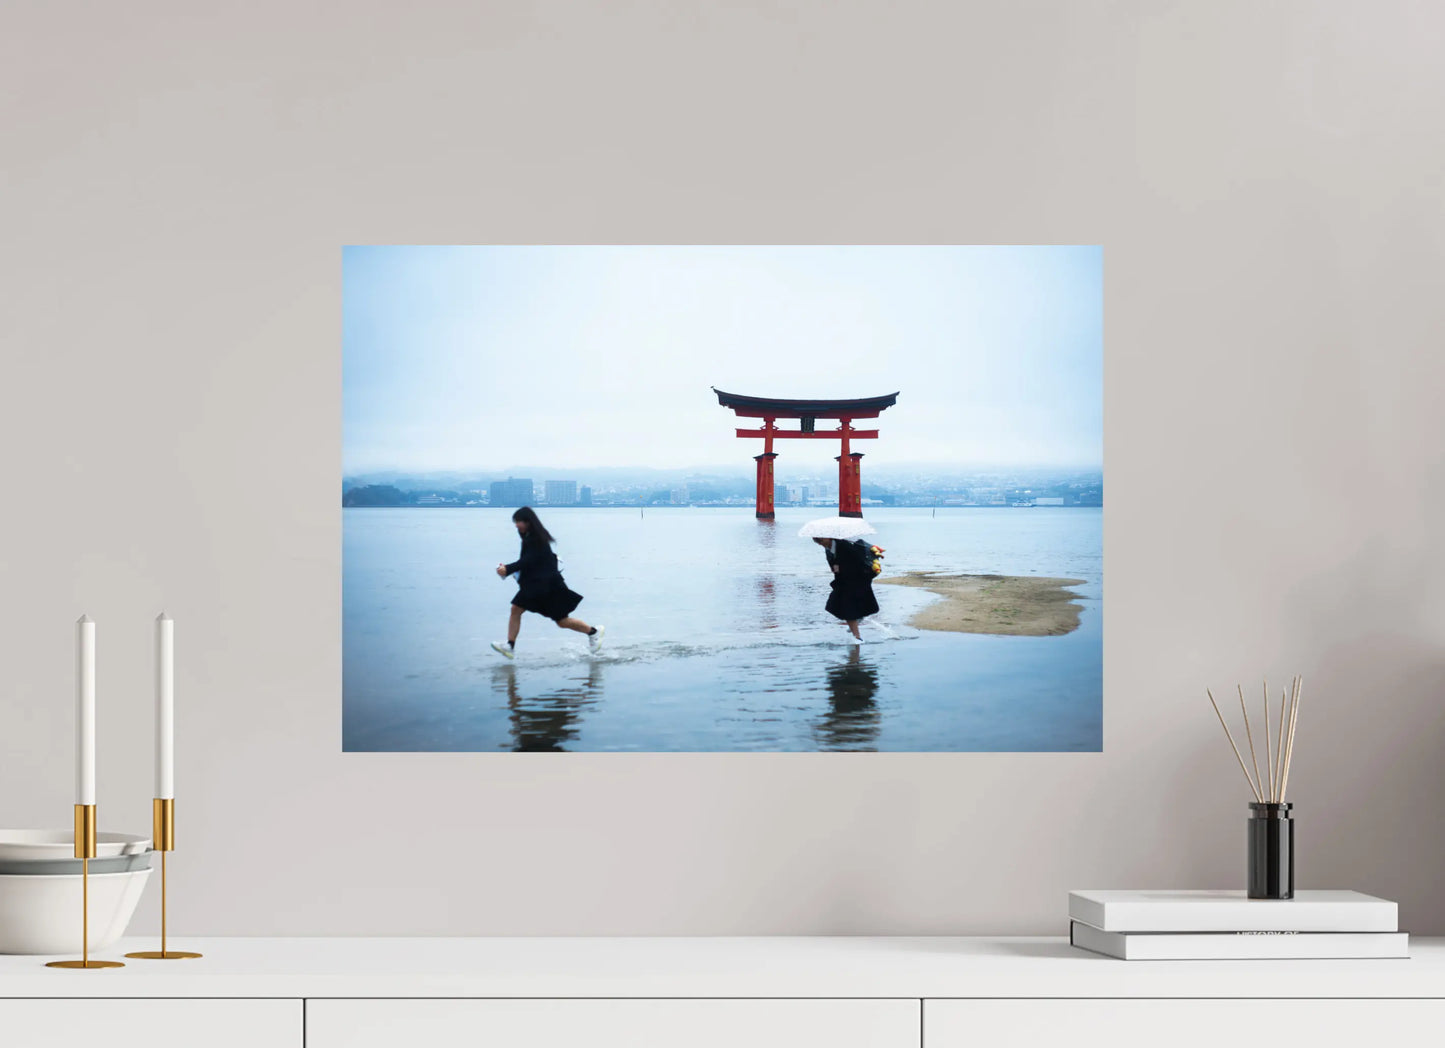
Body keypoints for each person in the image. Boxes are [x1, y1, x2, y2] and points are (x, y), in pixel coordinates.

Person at [491, 507, 604, 658]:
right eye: (515, 522)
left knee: (558, 620)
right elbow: (530, 562)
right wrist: (509, 570)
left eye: (518, 521)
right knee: (525, 611)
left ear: (528, 521)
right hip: (538, 586)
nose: (516, 525)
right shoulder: (530, 538)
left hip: (547, 587)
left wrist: (508, 569)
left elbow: (528, 560)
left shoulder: (537, 539)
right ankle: (510, 646)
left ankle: (593, 632)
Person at [812, 536, 880, 643]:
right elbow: (832, 563)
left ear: (829, 537)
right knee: (836, 605)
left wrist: (841, 566)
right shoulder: (829, 549)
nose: (820, 543)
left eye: (820, 540)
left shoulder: (844, 545)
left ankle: (857, 637)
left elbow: (858, 561)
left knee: (848, 609)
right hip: (843, 581)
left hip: (858, 579)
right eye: (817, 541)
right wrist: (835, 567)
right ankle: (856, 624)